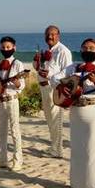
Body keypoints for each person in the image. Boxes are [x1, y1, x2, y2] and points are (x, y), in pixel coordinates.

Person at [51, 39, 95, 188]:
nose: (88, 50)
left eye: (91, 48)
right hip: (76, 110)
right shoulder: (73, 67)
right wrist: (68, 83)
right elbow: (54, 79)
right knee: (79, 149)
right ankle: (79, 184)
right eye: (84, 48)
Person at [0, 36, 26, 171]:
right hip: (0, 101)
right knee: (1, 132)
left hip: (12, 100)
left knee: (15, 131)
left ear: (14, 48)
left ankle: (18, 160)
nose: (5, 49)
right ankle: (1, 159)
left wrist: (17, 83)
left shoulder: (18, 64)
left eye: (8, 47)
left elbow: (22, 86)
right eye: (3, 47)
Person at [35, 25, 72, 158]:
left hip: (54, 88)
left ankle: (58, 150)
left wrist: (50, 75)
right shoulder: (45, 50)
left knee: (56, 119)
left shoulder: (63, 51)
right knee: (50, 119)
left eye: (53, 34)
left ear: (58, 35)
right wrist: (37, 66)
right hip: (44, 87)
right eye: (47, 34)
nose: (50, 37)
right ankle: (54, 147)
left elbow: (68, 71)